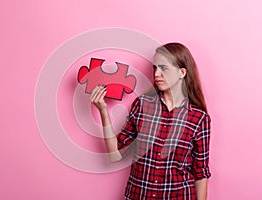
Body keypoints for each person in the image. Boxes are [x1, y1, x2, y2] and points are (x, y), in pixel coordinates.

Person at [90, 42, 211, 200]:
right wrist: (103, 111)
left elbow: (200, 172)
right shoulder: (142, 105)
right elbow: (115, 155)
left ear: (182, 72)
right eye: (155, 68)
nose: (156, 75)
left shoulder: (199, 118)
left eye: (164, 68)